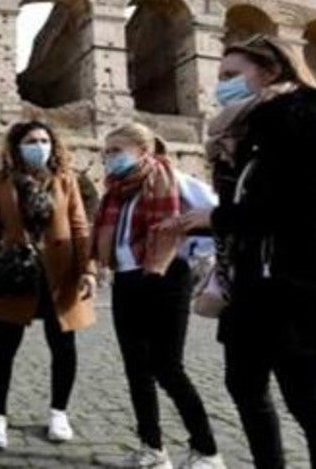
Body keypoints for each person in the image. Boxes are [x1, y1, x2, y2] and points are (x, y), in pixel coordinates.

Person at [176, 34, 316, 469]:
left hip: (297, 280)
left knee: (310, 403)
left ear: (272, 70)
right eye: (220, 77)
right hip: (249, 285)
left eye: (231, 75)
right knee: (243, 387)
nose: (220, 85)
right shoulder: (243, 130)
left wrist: (220, 218)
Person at [92, 123, 225, 469]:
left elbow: (216, 217)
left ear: (143, 150)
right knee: (136, 369)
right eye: (106, 152)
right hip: (126, 280)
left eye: (116, 150)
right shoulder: (115, 193)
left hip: (166, 276)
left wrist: (190, 249)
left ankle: (207, 451)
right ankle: (153, 449)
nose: (109, 158)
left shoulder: (176, 180)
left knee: (168, 367)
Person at [0, 120, 95, 451]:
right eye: (31, 140)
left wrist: (88, 269)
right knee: (3, 346)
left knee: (63, 346)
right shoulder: (1, 182)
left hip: (61, 273)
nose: (40, 145)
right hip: (17, 272)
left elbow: (79, 225)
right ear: (16, 146)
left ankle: (59, 412)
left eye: (45, 140)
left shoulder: (65, 179)